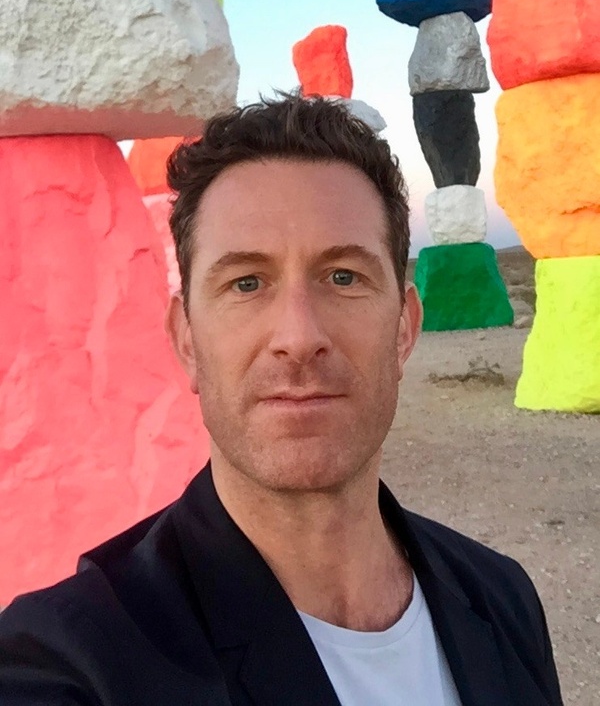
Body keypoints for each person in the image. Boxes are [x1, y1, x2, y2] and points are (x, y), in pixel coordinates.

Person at [0, 93, 562, 705]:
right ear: (187, 341)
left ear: (404, 328)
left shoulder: (502, 598)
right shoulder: (67, 659)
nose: (298, 337)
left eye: (343, 277)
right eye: (246, 283)